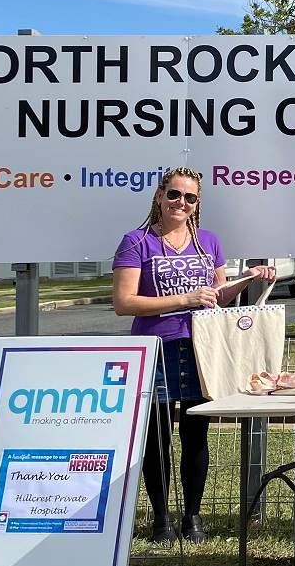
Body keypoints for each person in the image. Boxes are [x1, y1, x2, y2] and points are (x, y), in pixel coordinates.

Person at [112, 167, 275, 544]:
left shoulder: (208, 241)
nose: (180, 203)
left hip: (201, 349)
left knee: (196, 434)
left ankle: (192, 517)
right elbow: (124, 303)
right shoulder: (137, 242)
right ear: (159, 196)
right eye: (174, 194)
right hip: (155, 350)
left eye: (189, 197)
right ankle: (160, 518)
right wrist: (185, 298)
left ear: (197, 203)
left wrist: (249, 279)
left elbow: (218, 297)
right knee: (157, 438)